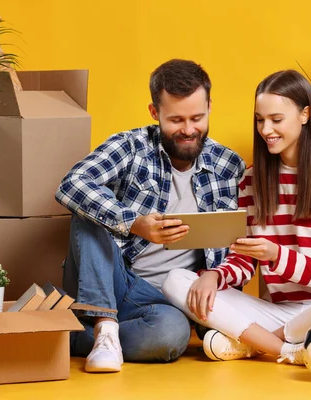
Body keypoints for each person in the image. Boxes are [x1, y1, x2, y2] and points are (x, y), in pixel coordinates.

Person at [162, 69, 311, 364]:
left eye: (276, 120)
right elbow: (245, 258)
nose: (266, 130)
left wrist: (277, 255)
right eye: (260, 120)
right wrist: (215, 275)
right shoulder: (251, 180)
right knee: (176, 281)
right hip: (278, 310)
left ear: (305, 115)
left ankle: (255, 343)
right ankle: (287, 350)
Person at [56, 59, 245, 372]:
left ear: (210, 106)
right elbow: (72, 184)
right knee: (87, 212)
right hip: (116, 279)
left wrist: (215, 283)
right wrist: (133, 223)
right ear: (155, 113)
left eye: (197, 117)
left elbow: (237, 240)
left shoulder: (228, 166)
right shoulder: (131, 146)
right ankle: (104, 327)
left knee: (172, 335)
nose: (188, 130)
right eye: (176, 120)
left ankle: (72, 337)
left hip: (165, 301)